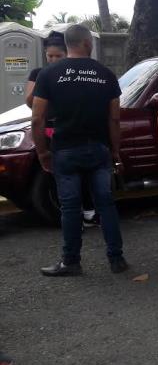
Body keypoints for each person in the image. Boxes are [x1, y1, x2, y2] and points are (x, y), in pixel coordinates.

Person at [32, 25, 127, 276]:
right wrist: (115, 151)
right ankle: (116, 259)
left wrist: (43, 152)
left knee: (71, 207)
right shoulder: (105, 74)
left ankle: (71, 261)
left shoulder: (49, 74)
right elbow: (114, 119)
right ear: (87, 43)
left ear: (67, 44)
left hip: (65, 150)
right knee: (105, 204)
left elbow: (37, 119)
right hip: (98, 149)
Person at [26, 35, 100, 229]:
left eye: (57, 56)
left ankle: (89, 213)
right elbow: (30, 102)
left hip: (75, 129)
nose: (52, 60)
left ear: (66, 54)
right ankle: (72, 215)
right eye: (49, 56)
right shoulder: (39, 74)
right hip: (50, 129)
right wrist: (45, 87)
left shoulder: (72, 73)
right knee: (59, 175)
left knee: (81, 173)